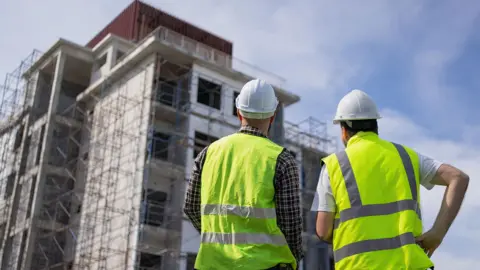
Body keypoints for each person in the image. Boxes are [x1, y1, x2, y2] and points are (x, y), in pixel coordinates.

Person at [310, 89, 469, 270]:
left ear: (344, 130)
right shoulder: (406, 156)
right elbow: (458, 178)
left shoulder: (334, 165)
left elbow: (323, 231)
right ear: (376, 125)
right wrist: (437, 233)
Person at [183, 79, 303, 270]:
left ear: (239, 113)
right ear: (272, 117)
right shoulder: (282, 159)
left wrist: (217, 237)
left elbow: (191, 207)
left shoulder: (208, 153)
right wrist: (294, 258)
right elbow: (290, 223)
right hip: (265, 265)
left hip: (211, 263)